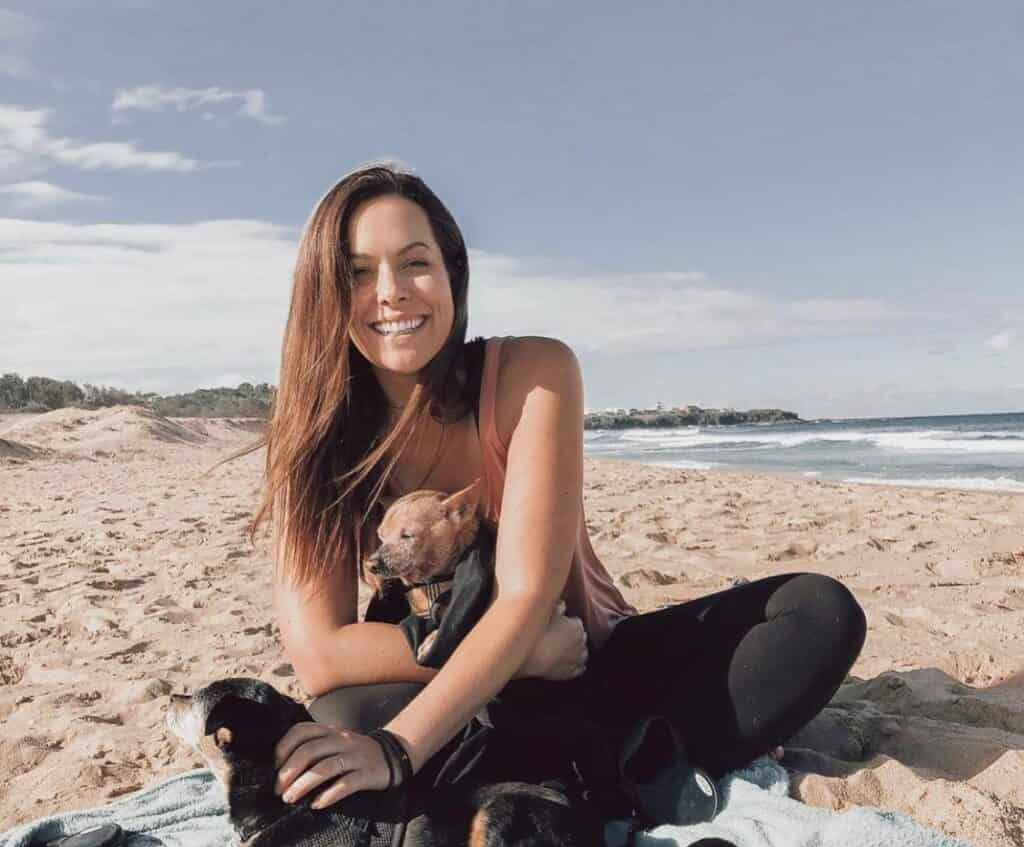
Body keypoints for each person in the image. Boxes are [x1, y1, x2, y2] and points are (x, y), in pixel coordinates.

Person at [230, 160, 866, 812]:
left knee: (817, 612)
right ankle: (624, 769)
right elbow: (320, 656)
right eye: (359, 274)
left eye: (415, 263)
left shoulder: (532, 374)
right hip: (473, 680)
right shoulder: (315, 436)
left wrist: (398, 753)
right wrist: (516, 661)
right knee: (344, 713)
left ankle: (565, 773)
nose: (390, 292)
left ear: (452, 273)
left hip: (591, 665)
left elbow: (528, 595)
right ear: (326, 294)